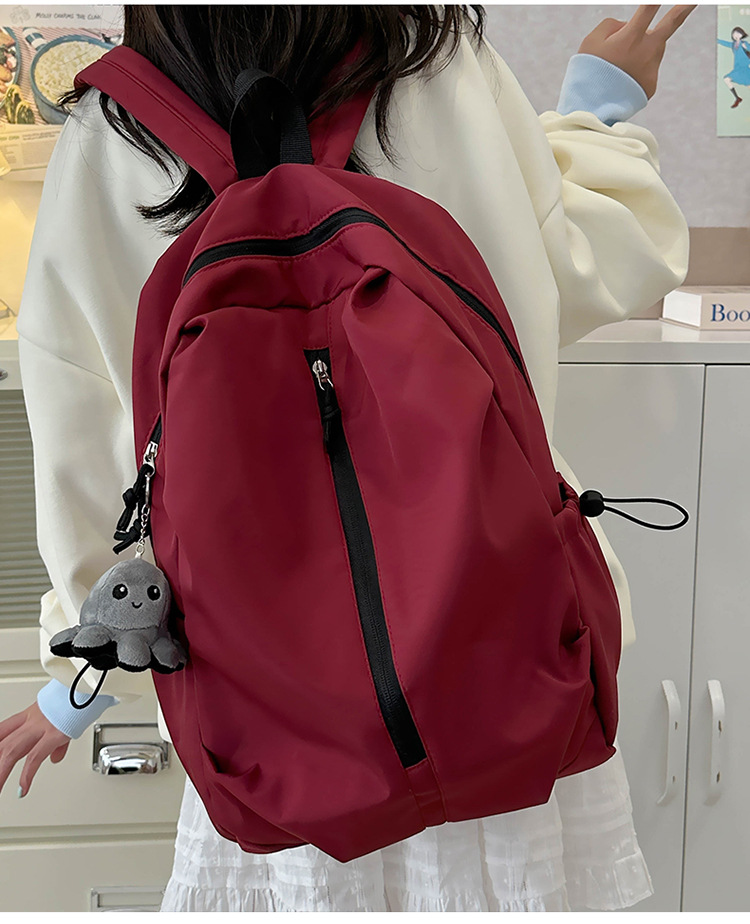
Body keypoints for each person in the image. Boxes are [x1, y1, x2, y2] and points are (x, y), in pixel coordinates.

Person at [1, 3, 694, 913]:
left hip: (267, 704)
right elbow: (581, 272)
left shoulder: (110, 128)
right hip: (507, 645)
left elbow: (85, 430)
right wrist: (599, 111)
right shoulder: (437, 63)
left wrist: (78, 683)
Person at [717, 26, 750, 108]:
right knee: (727, 79)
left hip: (744, 68)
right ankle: (737, 98)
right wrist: (715, 40)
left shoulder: (744, 43)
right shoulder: (733, 45)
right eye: (734, 34)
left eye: (738, 33)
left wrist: (746, 47)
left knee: (748, 85)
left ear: (742, 34)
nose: (736, 35)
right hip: (737, 68)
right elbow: (724, 43)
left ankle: (738, 99)